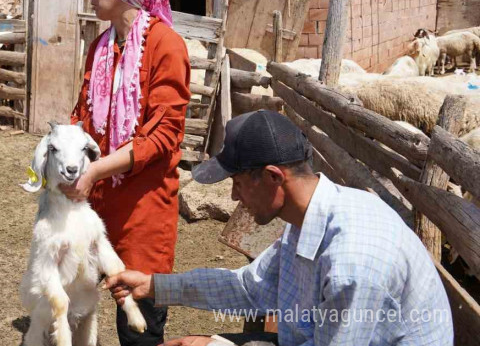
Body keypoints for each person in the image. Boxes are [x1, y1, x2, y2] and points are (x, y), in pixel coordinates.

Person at [104, 110, 454, 346]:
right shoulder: (307, 218)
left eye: (238, 183)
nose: (233, 195)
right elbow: (249, 288)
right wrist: (155, 285)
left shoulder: (352, 262)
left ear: (273, 177)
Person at [61, 0, 190, 346]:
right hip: (94, 205)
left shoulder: (166, 46)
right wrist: (63, 157)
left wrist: (97, 169)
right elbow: (82, 116)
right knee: (77, 311)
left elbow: (162, 136)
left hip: (142, 210)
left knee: (136, 323)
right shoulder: (100, 47)